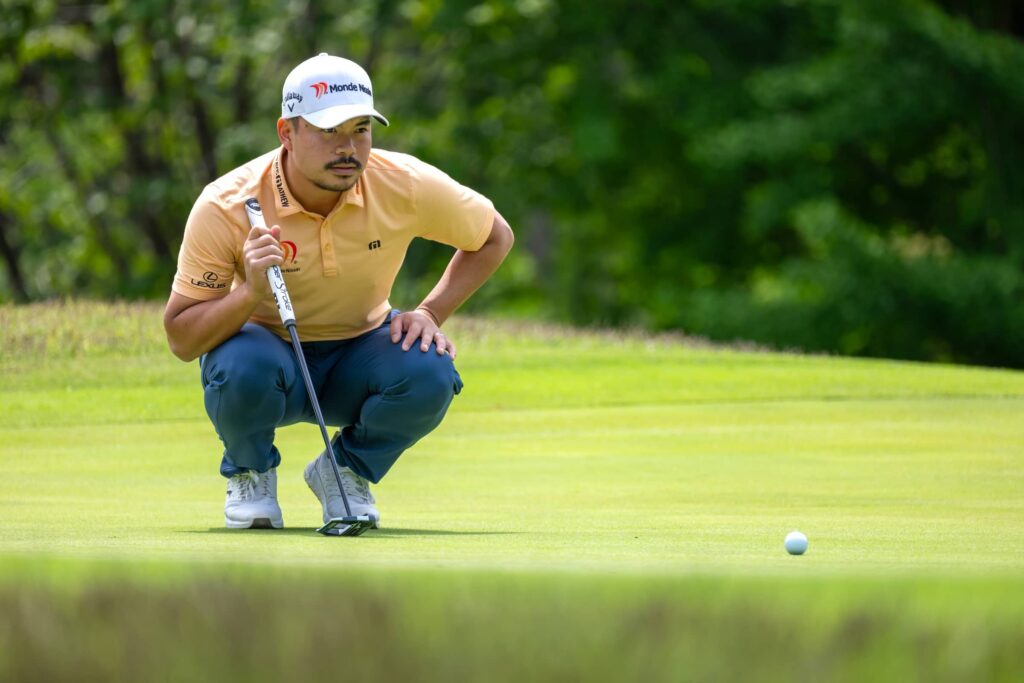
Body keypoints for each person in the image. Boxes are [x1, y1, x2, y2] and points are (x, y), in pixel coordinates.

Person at [163, 53, 514, 530]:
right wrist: (247, 293)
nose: (348, 147)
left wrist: (430, 312)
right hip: (271, 361)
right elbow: (183, 340)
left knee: (431, 371)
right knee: (240, 365)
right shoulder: (226, 202)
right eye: (329, 131)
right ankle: (251, 472)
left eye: (361, 130)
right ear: (287, 132)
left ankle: (343, 471)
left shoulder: (402, 182)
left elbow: (494, 237)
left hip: (362, 356)